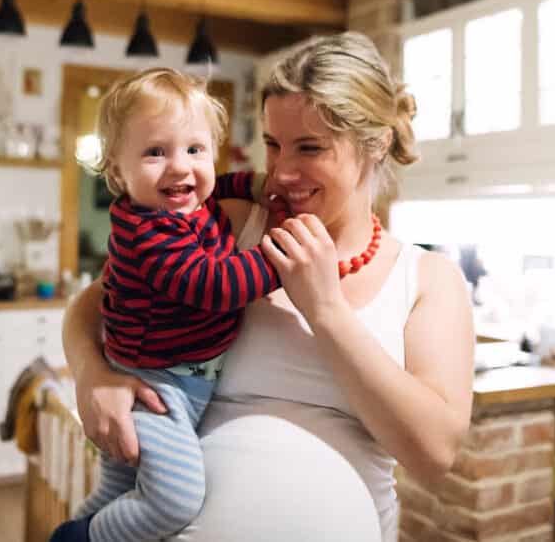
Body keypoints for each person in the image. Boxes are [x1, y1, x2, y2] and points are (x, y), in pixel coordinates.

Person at [63, 32, 475, 541]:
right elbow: (94, 303)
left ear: (376, 143)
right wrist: (92, 376)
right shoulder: (234, 223)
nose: (281, 172)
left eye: (309, 148)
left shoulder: (427, 279)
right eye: (274, 145)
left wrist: (325, 310)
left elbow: (434, 454)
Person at [50, 68, 282, 542]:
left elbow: (218, 185)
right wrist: (281, 262)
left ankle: (81, 524)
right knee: (174, 500)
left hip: (171, 383)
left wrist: (251, 184)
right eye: (156, 152)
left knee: (118, 490)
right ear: (117, 170)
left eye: (195, 149)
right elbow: (213, 284)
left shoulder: (191, 205)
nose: (180, 167)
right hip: (153, 387)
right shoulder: (149, 232)